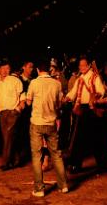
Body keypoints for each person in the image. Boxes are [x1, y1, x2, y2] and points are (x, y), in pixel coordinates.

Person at [26, 60, 69, 197]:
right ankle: (63, 186)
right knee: (56, 155)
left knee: (36, 156)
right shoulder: (56, 84)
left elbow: (28, 102)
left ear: (38, 70)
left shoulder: (33, 83)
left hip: (37, 123)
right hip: (51, 123)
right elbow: (60, 103)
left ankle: (39, 189)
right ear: (49, 70)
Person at [64, 57, 107, 172]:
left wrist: (95, 96)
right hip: (82, 108)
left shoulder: (94, 77)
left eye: (84, 65)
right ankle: (76, 164)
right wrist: (67, 97)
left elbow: (101, 91)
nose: (81, 67)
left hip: (91, 109)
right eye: (80, 65)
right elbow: (73, 92)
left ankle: (102, 163)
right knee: (79, 138)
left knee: (95, 136)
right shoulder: (79, 79)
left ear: (88, 66)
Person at [0, 60, 25, 170]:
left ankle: (6, 162)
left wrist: (18, 109)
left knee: (8, 135)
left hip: (13, 112)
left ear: (10, 69)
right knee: (8, 137)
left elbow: (22, 95)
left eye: (7, 68)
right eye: (3, 68)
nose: (5, 71)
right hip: (2, 113)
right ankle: (17, 159)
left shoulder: (15, 80)